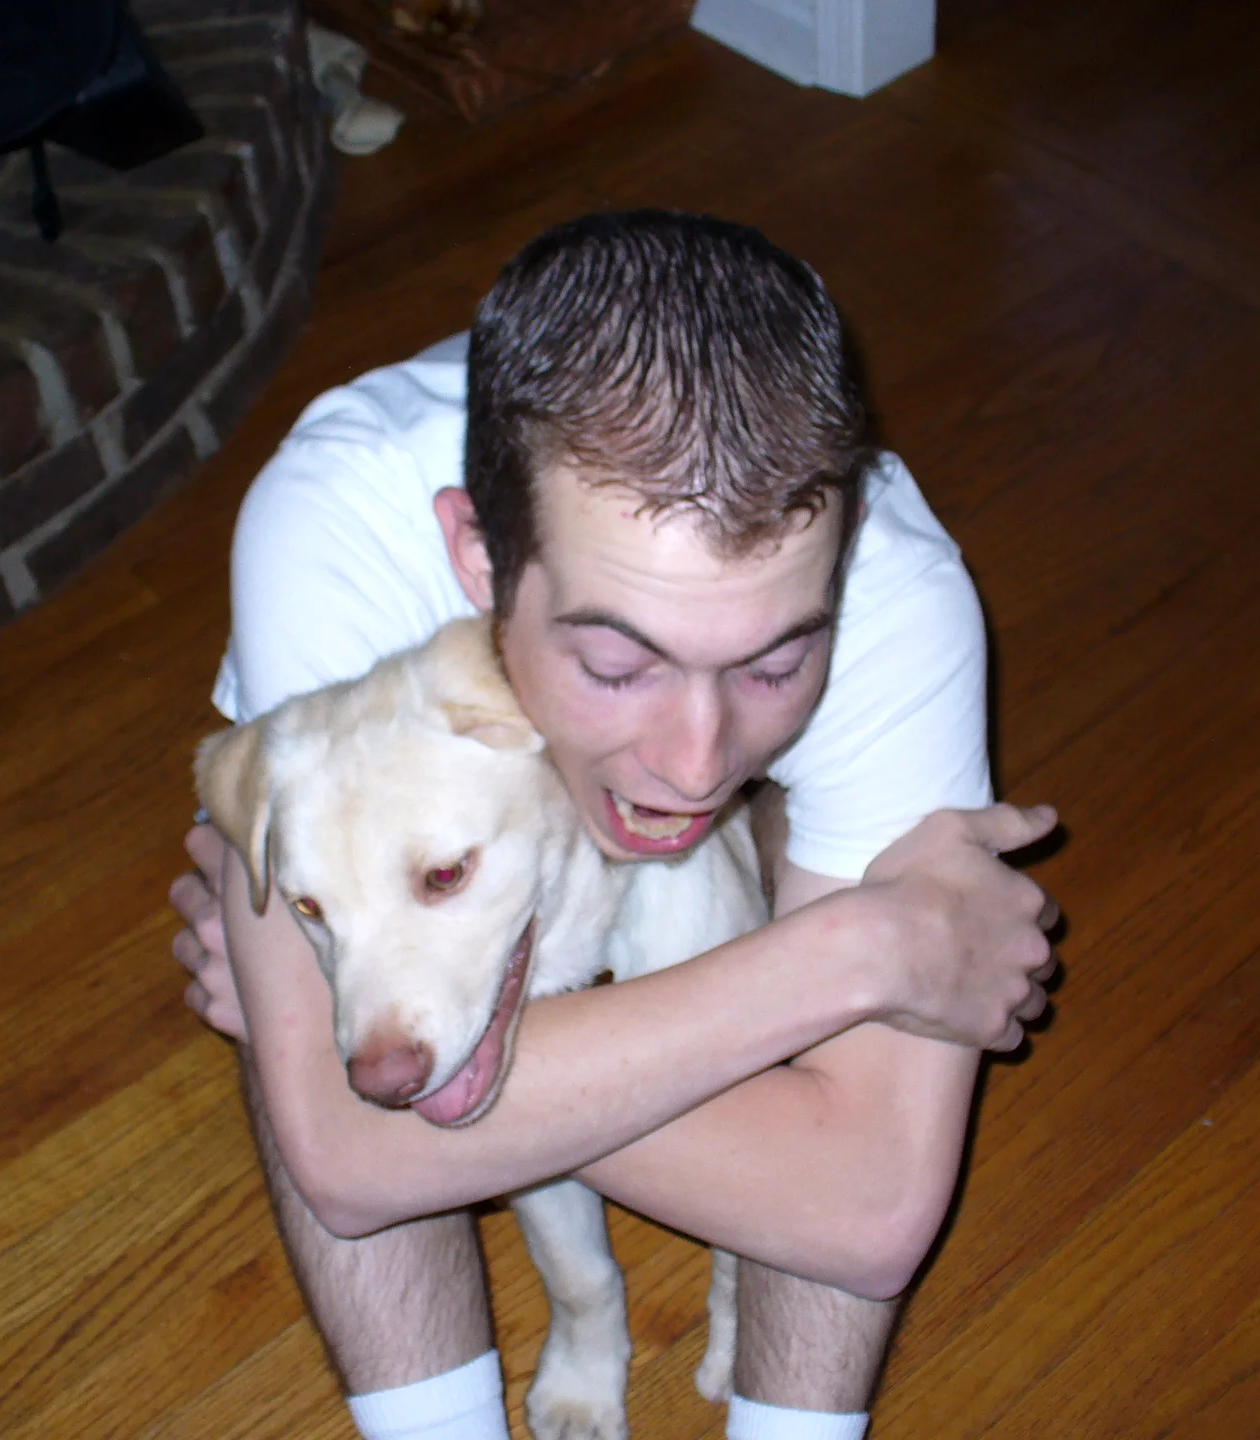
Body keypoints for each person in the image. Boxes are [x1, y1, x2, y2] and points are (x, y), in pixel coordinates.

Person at [170, 210, 1060, 1440]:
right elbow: (346, 1157)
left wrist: (445, 1069)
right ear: (477, 560)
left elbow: (868, 1214)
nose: (696, 766)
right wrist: (862, 950)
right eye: (615, 663)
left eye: (774, 663)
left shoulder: (899, 599)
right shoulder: (340, 526)